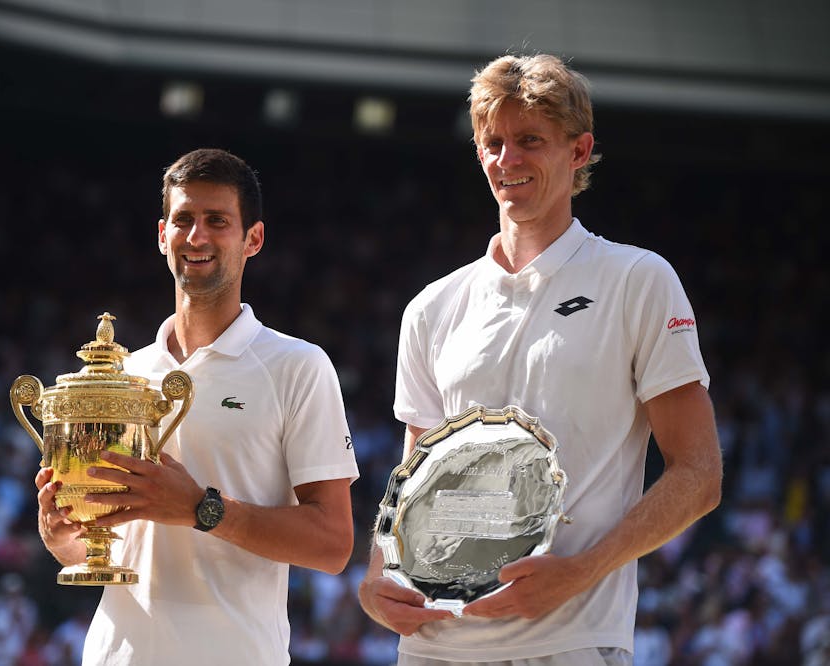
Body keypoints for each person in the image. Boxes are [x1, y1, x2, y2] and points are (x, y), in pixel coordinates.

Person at [358, 53, 723, 665]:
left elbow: (699, 474)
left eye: (530, 140)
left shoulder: (638, 279)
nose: (509, 160)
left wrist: (579, 571)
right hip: (434, 646)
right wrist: (377, 575)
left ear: (579, 152)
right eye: (493, 143)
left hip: (571, 640)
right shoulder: (431, 306)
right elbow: (416, 472)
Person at [35, 148, 359, 665]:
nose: (197, 237)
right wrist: (65, 535)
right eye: (183, 220)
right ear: (162, 234)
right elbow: (111, 547)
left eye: (217, 221)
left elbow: (333, 544)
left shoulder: (298, 366)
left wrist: (201, 510)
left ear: (253, 238)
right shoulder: (123, 375)